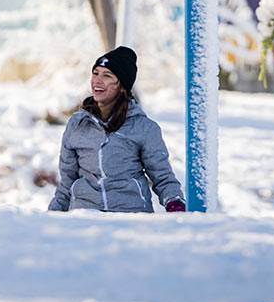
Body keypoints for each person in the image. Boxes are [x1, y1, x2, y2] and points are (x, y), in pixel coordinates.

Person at [48, 46, 185, 213]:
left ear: (122, 86)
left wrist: (174, 203)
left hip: (130, 215)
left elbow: (162, 177)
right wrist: (52, 214)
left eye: (107, 75)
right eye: (95, 73)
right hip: (85, 215)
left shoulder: (144, 128)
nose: (97, 80)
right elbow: (67, 182)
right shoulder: (77, 125)